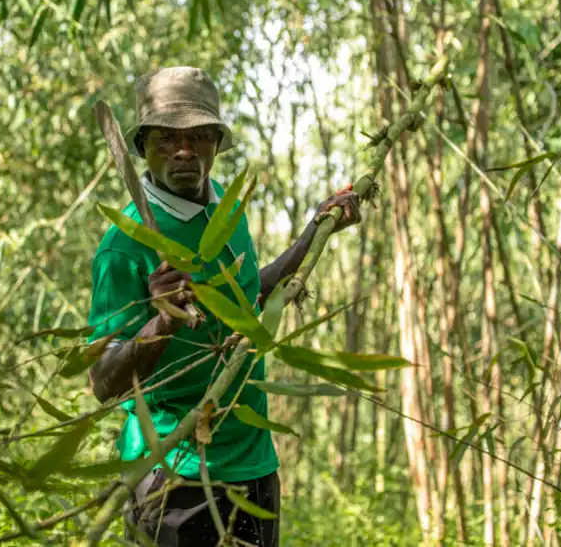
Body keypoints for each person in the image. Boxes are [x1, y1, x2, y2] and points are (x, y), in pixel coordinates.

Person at [86, 66, 360, 546]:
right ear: (143, 146)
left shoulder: (227, 212)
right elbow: (102, 382)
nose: (184, 151)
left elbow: (248, 298)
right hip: (172, 473)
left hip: (253, 465)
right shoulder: (122, 248)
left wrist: (316, 232)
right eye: (167, 138)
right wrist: (163, 321)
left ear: (216, 141)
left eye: (198, 136)